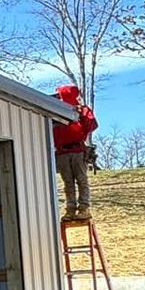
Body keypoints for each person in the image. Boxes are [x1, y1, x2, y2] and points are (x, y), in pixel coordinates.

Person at [53, 83, 98, 219]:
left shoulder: (82, 110)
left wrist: (81, 115)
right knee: (68, 183)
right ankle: (70, 209)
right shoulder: (54, 109)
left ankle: (84, 209)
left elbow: (92, 125)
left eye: (61, 95)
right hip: (61, 152)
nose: (59, 98)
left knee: (81, 180)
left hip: (77, 150)